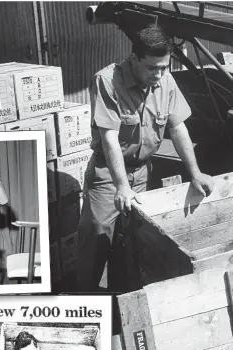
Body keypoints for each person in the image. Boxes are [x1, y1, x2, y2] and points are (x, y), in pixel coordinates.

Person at [77, 24, 214, 292]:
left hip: (141, 173)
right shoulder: (107, 81)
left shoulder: (166, 81)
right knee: (96, 240)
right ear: (134, 58)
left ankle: (122, 309)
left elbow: (177, 128)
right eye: (153, 68)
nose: (160, 74)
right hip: (108, 174)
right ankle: (84, 304)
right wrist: (122, 187)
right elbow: (110, 140)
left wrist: (195, 173)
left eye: (165, 67)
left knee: (130, 246)